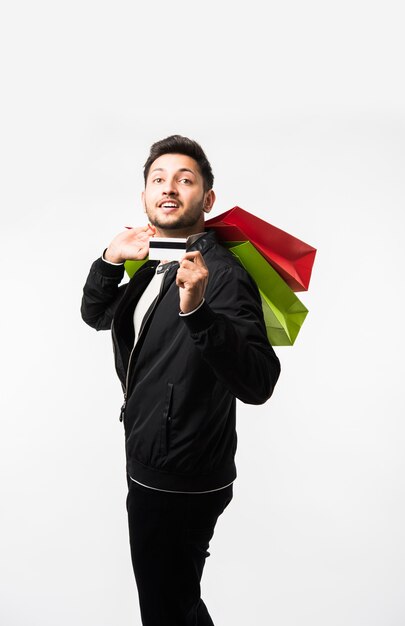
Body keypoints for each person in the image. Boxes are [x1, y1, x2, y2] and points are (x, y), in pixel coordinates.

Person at [81, 135, 281, 625]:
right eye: (158, 180)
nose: (169, 188)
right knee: (173, 602)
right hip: (148, 460)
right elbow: (96, 314)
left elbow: (258, 381)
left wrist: (197, 312)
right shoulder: (153, 259)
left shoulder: (222, 274)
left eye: (184, 180)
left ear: (207, 200)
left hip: (183, 478)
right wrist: (110, 259)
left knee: (167, 609)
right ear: (145, 195)